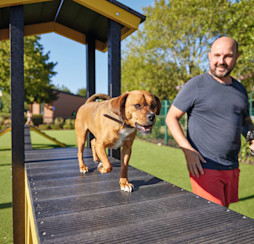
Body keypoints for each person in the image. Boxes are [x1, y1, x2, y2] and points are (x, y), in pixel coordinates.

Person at [165, 36, 254, 207]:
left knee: (225, 215)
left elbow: (244, 120)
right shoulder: (196, 85)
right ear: (209, 56)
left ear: (236, 57)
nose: (221, 61)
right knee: (213, 220)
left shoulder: (240, 89)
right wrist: (187, 150)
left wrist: (252, 137)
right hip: (205, 167)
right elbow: (171, 117)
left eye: (227, 56)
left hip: (232, 167)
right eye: (217, 55)